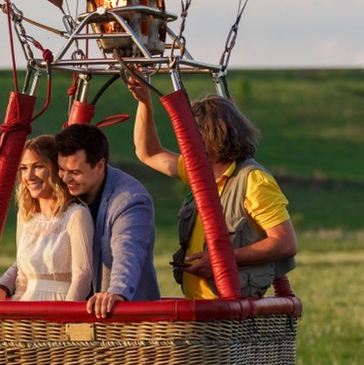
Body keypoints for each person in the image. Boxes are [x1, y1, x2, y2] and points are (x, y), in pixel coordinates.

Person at [127, 78, 297, 299]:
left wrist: (222, 259)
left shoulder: (253, 181)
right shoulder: (198, 171)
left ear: (210, 136)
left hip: (232, 309)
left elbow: (285, 243)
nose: (185, 141)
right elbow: (148, 152)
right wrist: (144, 103)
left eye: (190, 134)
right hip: (199, 308)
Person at [55, 123, 160, 318]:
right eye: (62, 169)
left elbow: (128, 250)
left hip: (123, 321)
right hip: (78, 313)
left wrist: (117, 292)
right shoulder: (64, 192)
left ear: (100, 166)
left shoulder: (130, 200)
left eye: (75, 172)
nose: (66, 178)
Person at [0, 135, 94, 301]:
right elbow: (22, 278)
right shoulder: (26, 217)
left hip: (60, 307)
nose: (29, 176)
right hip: (26, 311)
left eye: (38, 166)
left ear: (58, 170)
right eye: (23, 168)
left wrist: (65, 317)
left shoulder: (77, 215)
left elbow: (83, 276)